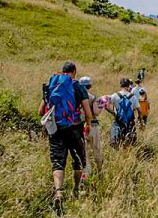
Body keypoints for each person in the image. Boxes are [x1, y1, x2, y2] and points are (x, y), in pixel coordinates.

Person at [38, 62, 92, 210]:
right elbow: (88, 113)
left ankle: (59, 191)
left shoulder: (52, 85)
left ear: (62, 72)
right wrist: (87, 124)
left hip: (55, 130)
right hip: (74, 129)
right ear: (74, 71)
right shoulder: (78, 87)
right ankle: (76, 188)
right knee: (78, 160)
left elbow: (40, 111)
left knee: (57, 161)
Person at [79, 76, 107, 178]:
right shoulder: (92, 97)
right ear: (90, 86)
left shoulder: (76, 97)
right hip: (93, 125)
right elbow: (96, 112)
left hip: (81, 126)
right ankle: (100, 172)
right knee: (97, 149)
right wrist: (102, 106)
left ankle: (86, 174)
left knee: (84, 152)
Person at [108, 78, 142, 148]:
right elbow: (140, 111)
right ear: (129, 85)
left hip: (118, 121)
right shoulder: (133, 97)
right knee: (130, 143)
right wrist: (140, 120)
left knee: (116, 143)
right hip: (130, 123)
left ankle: (118, 156)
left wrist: (113, 113)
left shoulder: (115, 95)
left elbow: (105, 104)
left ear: (121, 85)